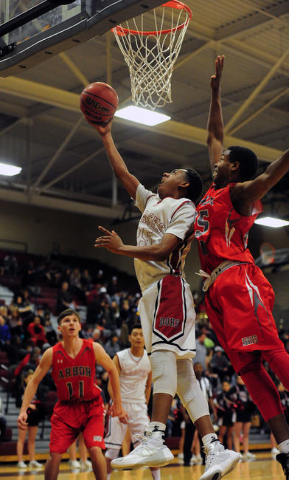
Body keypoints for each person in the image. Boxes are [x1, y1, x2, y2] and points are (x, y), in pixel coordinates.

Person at [92, 119, 240, 480]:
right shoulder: (153, 201)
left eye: (173, 171)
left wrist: (121, 247)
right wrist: (106, 135)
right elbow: (124, 173)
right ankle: (214, 449)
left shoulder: (185, 207)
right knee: (184, 374)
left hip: (169, 288)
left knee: (162, 359)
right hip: (152, 294)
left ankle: (155, 437)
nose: (164, 172)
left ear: (185, 184)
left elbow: (163, 248)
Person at [194, 54, 289, 479]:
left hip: (238, 278)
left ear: (233, 166)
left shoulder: (238, 193)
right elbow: (215, 132)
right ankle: (286, 448)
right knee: (249, 372)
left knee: (270, 352)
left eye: (222, 158)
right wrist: (214, 93)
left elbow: (270, 176)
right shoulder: (215, 189)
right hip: (215, 291)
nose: (214, 158)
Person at [17, 309, 128, 480]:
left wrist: (118, 403)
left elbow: (113, 370)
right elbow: (33, 381)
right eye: (67, 320)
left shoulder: (93, 348)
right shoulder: (51, 354)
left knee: (94, 448)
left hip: (92, 406)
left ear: (79, 325)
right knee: (54, 454)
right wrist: (23, 409)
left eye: (75, 320)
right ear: (59, 328)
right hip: (66, 408)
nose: (71, 323)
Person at [105, 323, 160, 480]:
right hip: (119, 404)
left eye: (141, 334)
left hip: (139, 406)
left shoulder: (150, 358)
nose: (138, 337)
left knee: (150, 448)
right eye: (135, 334)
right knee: (112, 451)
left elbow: (149, 386)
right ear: (129, 337)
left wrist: (144, 405)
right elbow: (110, 385)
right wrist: (117, 405)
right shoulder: (119, 357)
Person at [16, 370, 43, 470]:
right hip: (24, 415)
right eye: (30, 378)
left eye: (33, 378)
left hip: (34, 416)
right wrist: (28, 406)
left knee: (32, 440)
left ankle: (32, 460)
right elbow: (18, 403)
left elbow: (40, 401)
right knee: (21, 439)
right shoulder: (21, 389)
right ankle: (20, 461)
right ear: (25, 379)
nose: (32, 379)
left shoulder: (37, 389)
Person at [229, 376, 256, 461]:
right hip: (238, 413)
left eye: (242, 378)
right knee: (237, 434)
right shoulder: (234, 388)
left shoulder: (247, 388)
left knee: (246, 434)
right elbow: (226, 397)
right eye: (239, 379)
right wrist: (234, 405)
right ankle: (238, 452)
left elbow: (250, 399)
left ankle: (246, 452)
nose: (241, 380)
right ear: (236, 380)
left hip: (247, 413)